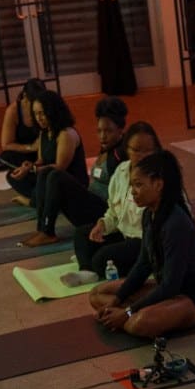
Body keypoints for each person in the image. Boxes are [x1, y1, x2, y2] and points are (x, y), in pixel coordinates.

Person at [87, 150, 195, 339]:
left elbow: (171, 286)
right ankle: (124, 315)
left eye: (139, 185)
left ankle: (128, 317)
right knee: (97, 294)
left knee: (140, 323)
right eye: (132, 185)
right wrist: (116, 301)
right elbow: (143, 265)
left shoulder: (176, 223)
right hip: (167, 291)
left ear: (158, 185)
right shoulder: (149, 214)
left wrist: (127, 312)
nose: (133, 191)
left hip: (192, 298)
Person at [75, 121, 161, 284]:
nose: (142, 156)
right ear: (127, 150)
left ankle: (97, 265)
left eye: (147, 151)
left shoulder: (160, 177)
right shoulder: (121, 171)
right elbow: (114, 211)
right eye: (136, 150)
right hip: (124, 234)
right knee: (82, 234)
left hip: (147, 241)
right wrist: (103, 224)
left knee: (101, 259)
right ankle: (86, 271)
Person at [14, 92, 97, 249]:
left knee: (50, 174)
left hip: (73, 188)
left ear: (53, 111)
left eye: (42, 113)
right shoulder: (44, 132)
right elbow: (41, 160)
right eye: (36, 114)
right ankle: (42, 229)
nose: (39, 118)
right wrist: (28, 167)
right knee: (38, 174)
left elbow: (60, 167)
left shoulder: (66, 134)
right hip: (51, 181)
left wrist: (34, 169)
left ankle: (48, 232)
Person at [0, 79, 44, 196]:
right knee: (7, 161)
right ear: (24, 95)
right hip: (27, 154)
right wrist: (31, 147)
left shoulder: (45, 107)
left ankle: (38, 194)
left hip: (44, 153)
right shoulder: (13, 111)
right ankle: (36, 191)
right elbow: (6, 144)